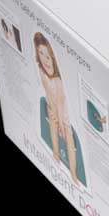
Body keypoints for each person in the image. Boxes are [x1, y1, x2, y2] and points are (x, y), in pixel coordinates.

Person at [33, 32, 79, 185]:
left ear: (53, 58)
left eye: (48, 57)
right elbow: (48, 95)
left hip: (62, 108)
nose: (45, 60)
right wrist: (52, 113)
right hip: (51, 103)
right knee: (52, 119)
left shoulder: (58, 80)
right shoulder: (41, 71)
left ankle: (73, 173)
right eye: (41, 54)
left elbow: (59, 104)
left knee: (67, 134)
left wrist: (62, 126)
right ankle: (55, 153)